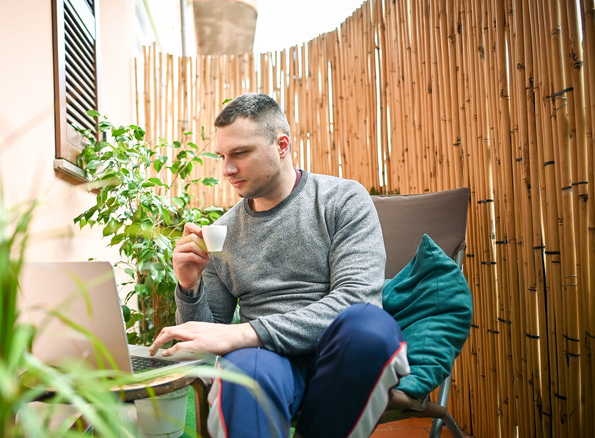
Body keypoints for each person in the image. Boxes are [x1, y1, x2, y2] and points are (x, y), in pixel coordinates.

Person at [149, 93, 409, 437]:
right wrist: (189, 286)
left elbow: (356, 300)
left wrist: (246, 332)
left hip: (339, 353)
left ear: (282, 145)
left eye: (240, 153)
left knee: (368, 325)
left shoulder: (342, 199)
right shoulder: (221, 233)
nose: (227, 169)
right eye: (222, 156)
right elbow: (206, 335)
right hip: (267, 362)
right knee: (244, 369)